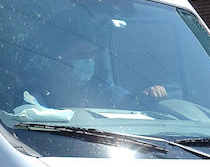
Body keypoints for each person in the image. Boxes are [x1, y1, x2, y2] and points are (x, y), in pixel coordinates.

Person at [28, 30, 166, 109]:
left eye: (91, 55)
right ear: (60, 59)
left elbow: (129, 99)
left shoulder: (101, 90)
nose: (88, 61)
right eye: (80, 55)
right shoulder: (37, 93)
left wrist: (149, 94)